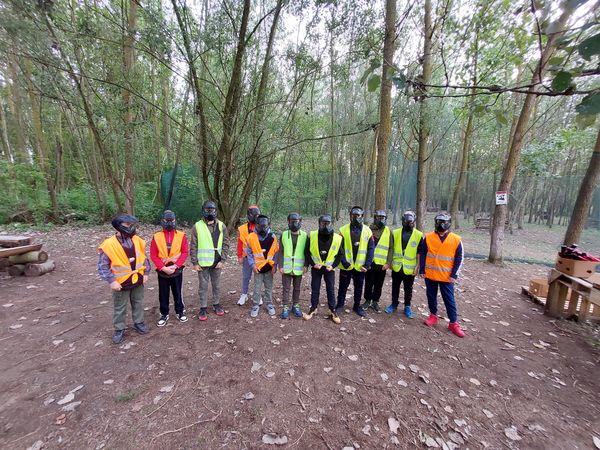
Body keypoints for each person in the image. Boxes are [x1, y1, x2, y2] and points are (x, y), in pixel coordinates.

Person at [98, 214, 150, 344]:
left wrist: (146, 273)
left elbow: (144, 258)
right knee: (120, 306)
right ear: (119, 226)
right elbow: (103, 265)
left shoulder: (137, 240)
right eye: (128, 225)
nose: (131, 227)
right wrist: (112, 281)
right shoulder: (109, 244)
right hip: (120, 282)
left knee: (138, 302)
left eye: (132, 225)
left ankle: (139, 322)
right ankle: (119, 329)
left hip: (137, 278)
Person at [419, 212, 465, 337]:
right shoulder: (428, 237)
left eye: (444, 223)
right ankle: (433, 315)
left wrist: (454, 275)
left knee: (449, 299)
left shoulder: (456, 239)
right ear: (435, 223)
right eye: (439, 222)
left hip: (446, 277)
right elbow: (423, 253)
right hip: (431, 274)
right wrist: (422, 270)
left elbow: (460, 258)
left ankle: (453, 323)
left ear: (449, 223)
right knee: (431, 296)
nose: (441, 225)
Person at [190, 200, 230, 321]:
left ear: (215, 211)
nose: (209, 212)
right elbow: (193, 245)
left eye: (212, 210)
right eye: (207, 210)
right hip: (202, 263)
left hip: (217, 262)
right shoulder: (197, 226)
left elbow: (226, 243)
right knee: (203, 286)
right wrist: (195, 263)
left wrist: (222, 260)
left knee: (216, 285)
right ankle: (203, 307)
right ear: (203, 211)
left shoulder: (221, 225)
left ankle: (216, 304)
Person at [304, 214, 346, 324]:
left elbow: (341, 254)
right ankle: (313, 308)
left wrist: (333, 266)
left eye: (328, 223)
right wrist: (313, 264)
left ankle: (332, 310)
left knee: (330, 289)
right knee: (315, 288)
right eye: (323, 223)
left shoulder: (338, 238)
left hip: (329, 269)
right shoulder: (312, 235)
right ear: (319, 223)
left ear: (332, 224)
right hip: (316, 268)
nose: (325, 226)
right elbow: (307, 252)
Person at [150, 210, 190, 326]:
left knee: (178, 291)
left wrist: (176, 265)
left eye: (172, 220)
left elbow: (185, 252)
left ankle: (180, 311)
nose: (170, 223)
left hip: (176, 269)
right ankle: (164, 313)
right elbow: (153, 255)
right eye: (167, 220)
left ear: (175, 220)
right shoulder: (156, 236)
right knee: (163, 293)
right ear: (162, 221)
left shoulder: (181, 235)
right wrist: (163, 267)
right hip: (163, 270)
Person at [335, 206, 374, 317]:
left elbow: (371, 248)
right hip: (346, 265)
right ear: (350, 216)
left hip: (360, 266)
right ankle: (340, 305)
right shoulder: (343, 230)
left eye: (358, 216)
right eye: (353, 216)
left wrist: (367, 264)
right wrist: (343, 261)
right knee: (343, 287)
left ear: (362, 216)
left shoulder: (368, 231)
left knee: (358, 287)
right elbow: (339, 247)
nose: (356, 218)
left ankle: (357, 306)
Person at [385, 211, 424, 318]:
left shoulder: (418, 235)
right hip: (397, 266)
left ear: (414, 222)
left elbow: (419, 252)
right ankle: (394, 304)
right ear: (402, 221)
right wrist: (390, 262)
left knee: (408, 288)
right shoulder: (395, 232)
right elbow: (391, 248)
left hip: (409, 267)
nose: (408, 224)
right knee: (395, 286)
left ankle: (407, 306)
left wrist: (417, 267)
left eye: (411, 222)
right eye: (406, 221)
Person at [245, 215, 279, 318]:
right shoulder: (251, 237)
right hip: (258, 268)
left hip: (269, 267)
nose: (263, 228)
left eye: (265, 226)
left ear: (268, 225)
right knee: (257, 287)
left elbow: (276, 252)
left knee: (268, 287)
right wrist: (252, 265)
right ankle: (255, 305)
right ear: (257, 225)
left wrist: (275, 265)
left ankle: (269, 304)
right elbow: (249, 253)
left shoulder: (273, 237)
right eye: (261, 226)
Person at [362, 210, 393, 313]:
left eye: (382, 218)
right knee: (368, 282)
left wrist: (388, 263)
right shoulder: (369, 229)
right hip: (370, 263)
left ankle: (375, 301)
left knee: (379, 283)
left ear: (385, 219)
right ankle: (367, 300)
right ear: (374, 218)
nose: (380, 220)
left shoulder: (388, 231)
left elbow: (391, 248)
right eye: (378, 218)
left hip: (382, 264)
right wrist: (365, 262)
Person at [278, 213, 308, 319]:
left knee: (297, 288)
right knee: (286, 288)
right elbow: (280, 251)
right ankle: (285, 307)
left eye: (297, 221)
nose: (294, 223)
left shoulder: (304, 235)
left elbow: (306, 251)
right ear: (288, 222)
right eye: (292, 221)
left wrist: (306, 265)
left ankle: (296, 305)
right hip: (286, 267)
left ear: (300, 221)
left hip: (298, 267)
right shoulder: (284, 234)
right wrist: (280, 265)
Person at [237, 205, 261, 306]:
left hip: (258, 258)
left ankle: (257, 295)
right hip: (246, 257)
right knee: (246, 277)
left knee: (258, 277)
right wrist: (239, 256)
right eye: (253, 215)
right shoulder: (243, 228)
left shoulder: (262, 226)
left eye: (257, 215)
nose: (255, 217)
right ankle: (244, 294)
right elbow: (240, 243)